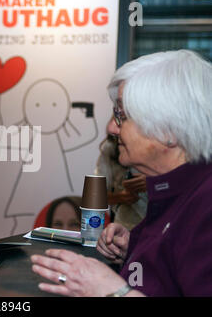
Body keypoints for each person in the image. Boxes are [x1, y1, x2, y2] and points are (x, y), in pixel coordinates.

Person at [31, 49, 212, 297]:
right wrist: (136, 248)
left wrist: (114, 292)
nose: (111, 128)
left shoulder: (205, 204)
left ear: (168, 132)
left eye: (121, 116)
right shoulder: (173, 193)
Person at [95, 133, 147, 230]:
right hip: (123, 225)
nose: (112, 128)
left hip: (162, 225)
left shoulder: (166, 144)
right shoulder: (111, 147)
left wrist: (156, 182)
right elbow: (96, 196)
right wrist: (121, 197)